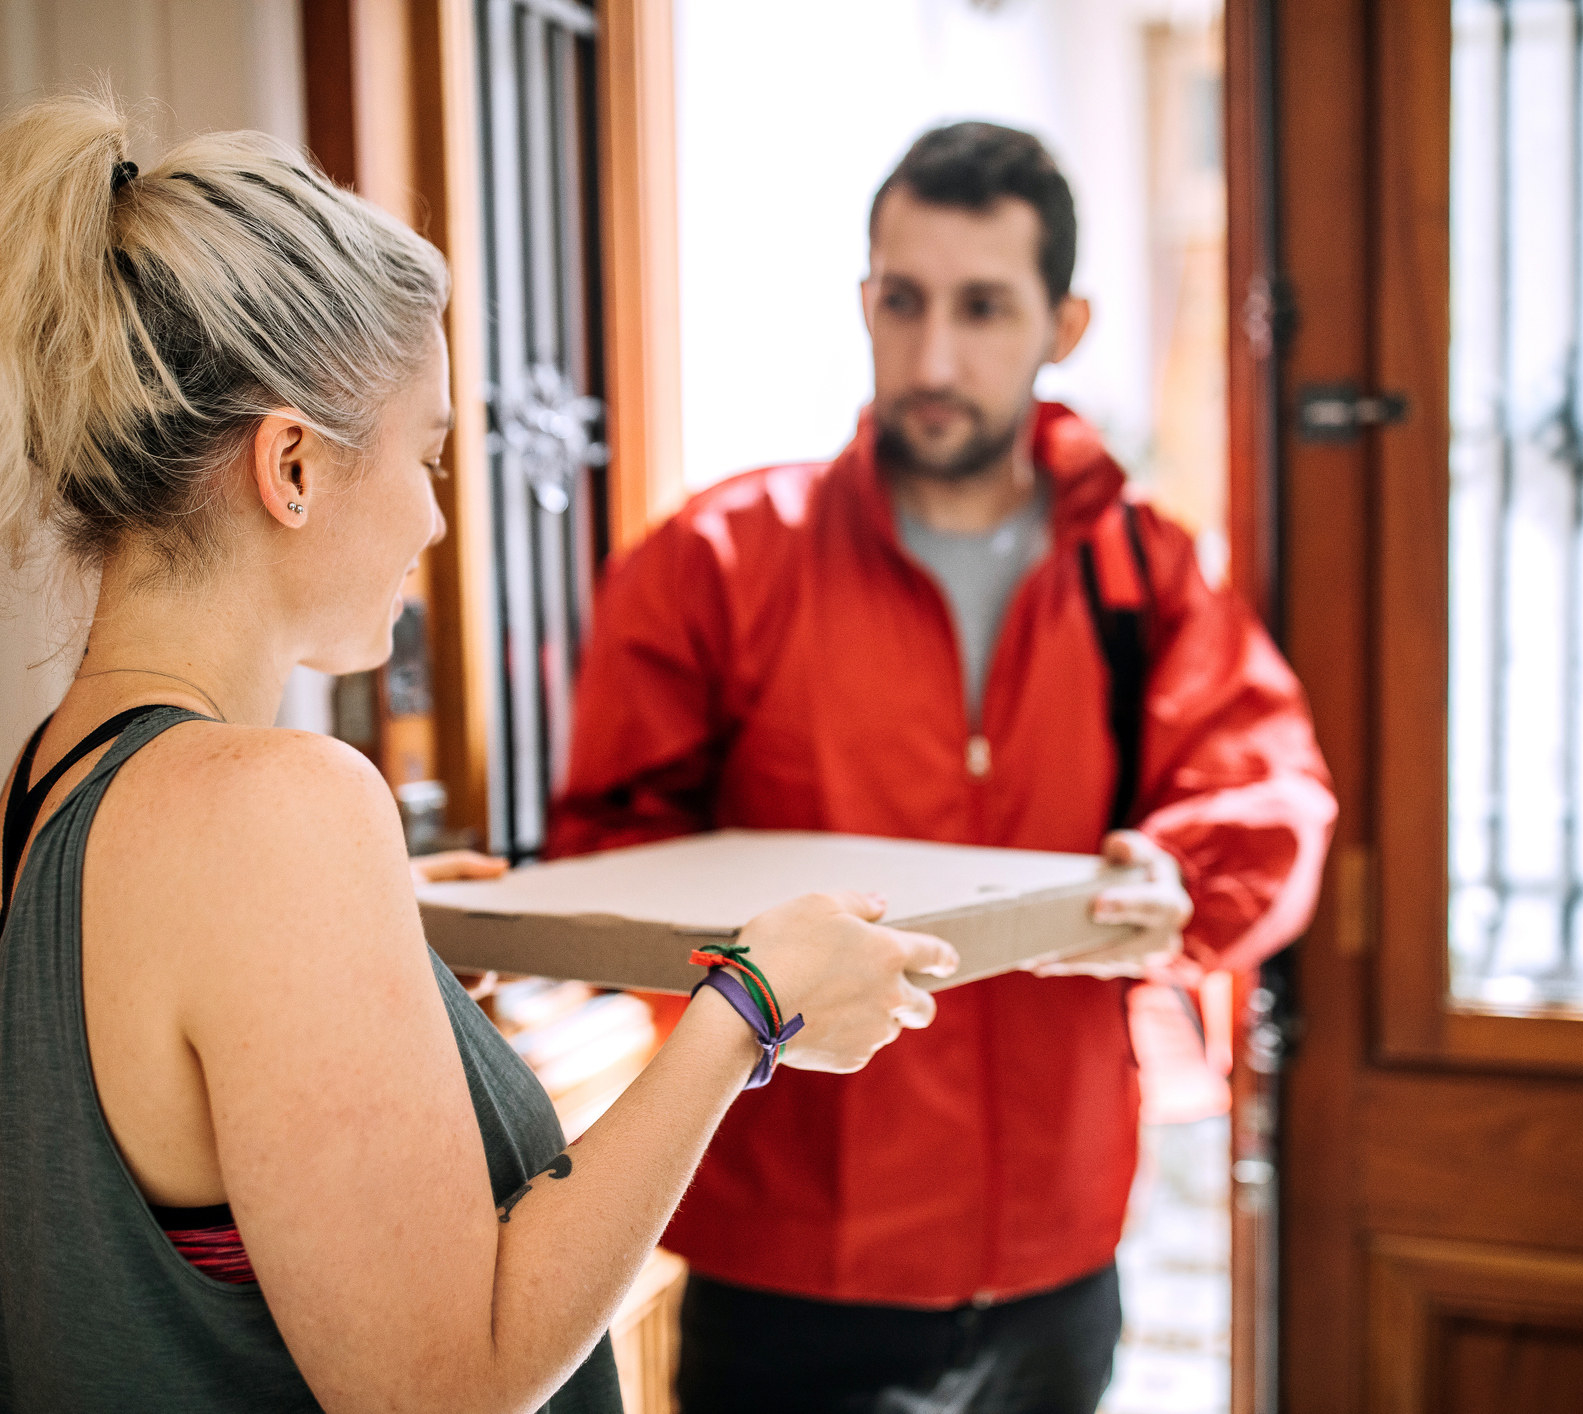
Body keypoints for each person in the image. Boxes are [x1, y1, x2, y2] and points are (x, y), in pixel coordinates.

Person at [0, 95, 957, 1413]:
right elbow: (447, 1384)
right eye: (424, 453)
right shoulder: (274, 809)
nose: (431, 515)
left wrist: (379, 965)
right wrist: (751, 1009)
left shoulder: (51, 785)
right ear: (290, 465)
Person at [548, 122, 1337, 1413]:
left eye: (981, 308)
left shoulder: (1145, 574)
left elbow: (1271, 791)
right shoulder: (715, 560)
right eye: (901, 303)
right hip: (790, 1263)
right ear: (863, 302)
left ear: (1061, 322)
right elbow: (606, 860)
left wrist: (1175, 875)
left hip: (1056, 1260)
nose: (932, 357)